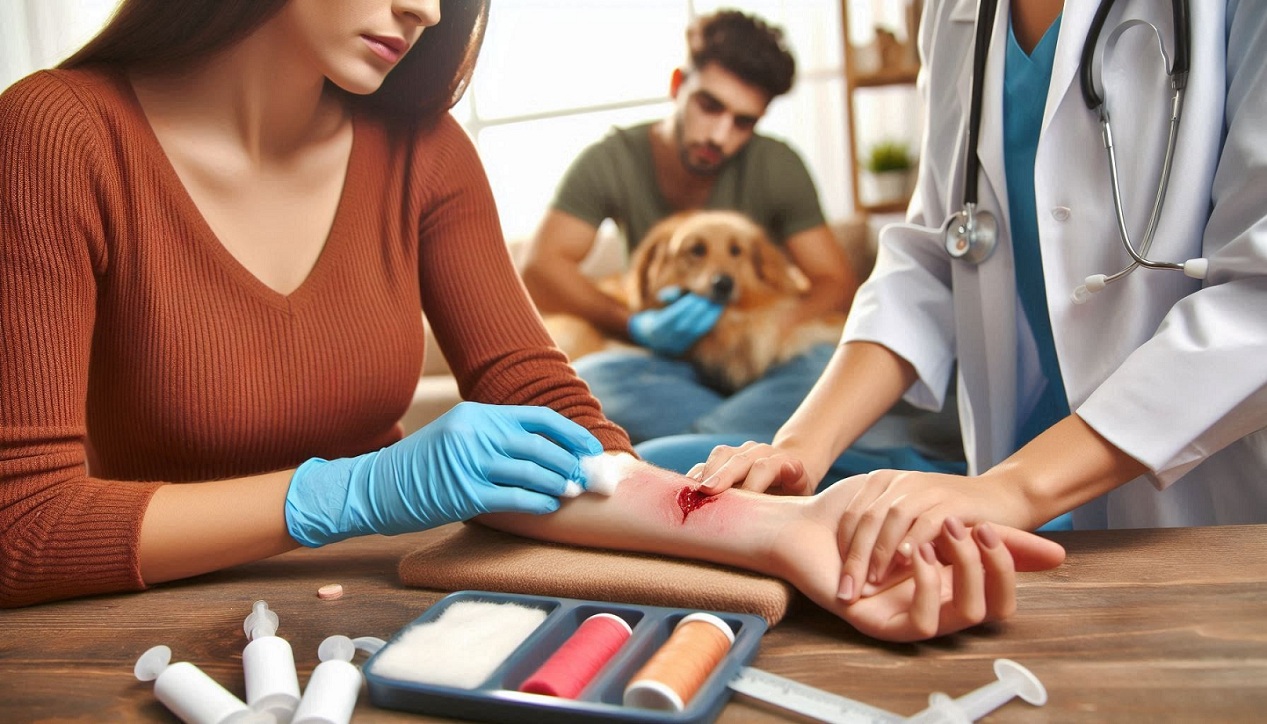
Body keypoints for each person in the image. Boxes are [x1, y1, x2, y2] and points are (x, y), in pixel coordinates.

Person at [0, 0, 1063, 643]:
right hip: (131, 639)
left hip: (377, 626)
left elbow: (550, 410)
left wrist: (785, 533)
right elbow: (23, 528)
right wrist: (342, 493)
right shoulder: (55, 135)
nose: (423, 8)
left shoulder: (422, 150)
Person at [690, 0, 1267, 602]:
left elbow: (1257, 303)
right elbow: (934, 256)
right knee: (680, 456)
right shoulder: (958, 10)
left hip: (1181, 505)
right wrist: (798, 449)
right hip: (996, 500)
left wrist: (1012, 490)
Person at [521, 10, 963, 469]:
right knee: (592, 380)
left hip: (765, 369)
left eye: (743, 122)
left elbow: (835, 281)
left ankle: (679, 457)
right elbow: (540, 269)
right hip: (671, 367)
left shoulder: (777, 165)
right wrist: (634, 325)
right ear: (678, 85)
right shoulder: (611, 161)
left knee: (819, 363)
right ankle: (780, 451)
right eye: (709, 106)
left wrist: (771, 330)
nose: (720, 134)